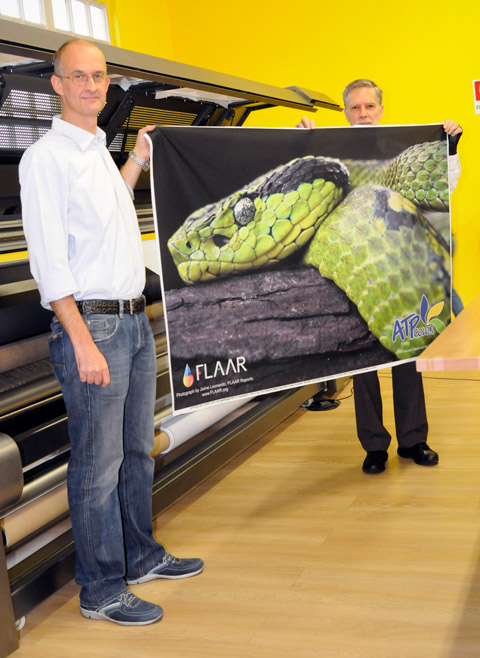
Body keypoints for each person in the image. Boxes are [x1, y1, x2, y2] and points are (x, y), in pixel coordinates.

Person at [19, 39, 204, 627]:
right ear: (57, 84)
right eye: (79, 77)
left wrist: (139, 159)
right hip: (93, 326)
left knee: (134, 453)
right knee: (96, 466)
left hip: (130, 320)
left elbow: (109, 219)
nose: (92, 86)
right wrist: (80, 340)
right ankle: (101, 587)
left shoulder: (99, 150)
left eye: (99, 76)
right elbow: (49, 265)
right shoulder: (46, 159)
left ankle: (141, 557)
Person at [297, 78, 462, 474]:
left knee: (408, 354)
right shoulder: (329, 151)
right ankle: (373, 446)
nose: (363, 114)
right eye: (355, 108)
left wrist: (450, 148)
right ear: (346, 113)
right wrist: (299, 145)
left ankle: (414, 440)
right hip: (352, 271)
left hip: (399, 270)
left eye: (370, 106)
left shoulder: (403, 149)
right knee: (363, 361)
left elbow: (445, 189)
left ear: (381, 110)